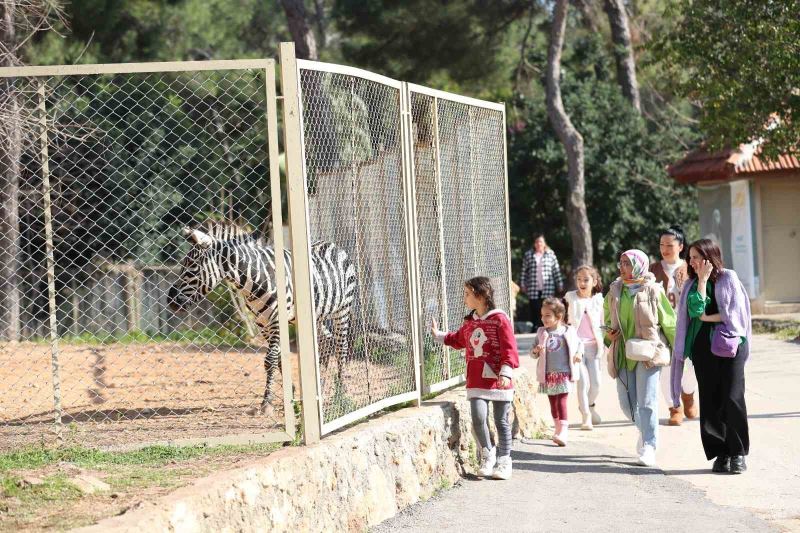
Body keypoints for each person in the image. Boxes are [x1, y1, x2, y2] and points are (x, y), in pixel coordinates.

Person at [671, 239, 751, 474]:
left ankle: (738, 453)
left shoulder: (729, 278)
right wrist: (703, 281)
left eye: (696, 257)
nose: (692, 262)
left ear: (709, 256)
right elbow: (696, 310)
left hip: (730, 345)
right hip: (703, 348)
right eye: (690, 258)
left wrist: (708, 318)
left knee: (733, 397)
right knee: (710, 399)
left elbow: (734, 316)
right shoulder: (692, 283)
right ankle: (721, 453)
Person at [431, 276, 519, 480]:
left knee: (501, 421)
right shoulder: (470, 323)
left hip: (499, 381)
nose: (465, 299)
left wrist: (506, 371)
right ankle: (488, 455)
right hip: (476, 381)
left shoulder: (500, 319)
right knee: (478, 419)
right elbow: (458, 339)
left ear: (480, 296)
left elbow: (509, 348)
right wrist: (439, 335)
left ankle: (504, 460)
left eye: (467, 294)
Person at [604, 249, 676, 467]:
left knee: (647, 402)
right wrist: (608, 334)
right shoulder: (615, 290)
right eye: (621, 263)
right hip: (623, 354)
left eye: (627, 263)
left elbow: (669, 321)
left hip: (648, 354)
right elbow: (607, 320)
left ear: (638, 266)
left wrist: (679, 351)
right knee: (627, 404)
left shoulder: (653, 290)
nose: (622, 268)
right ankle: (644, 430)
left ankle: (649, 445)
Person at [650, 225, 697, 426]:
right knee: (665, 369)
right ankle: (674, 407)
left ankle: (688, 396)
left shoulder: (690, 268)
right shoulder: (652, 269)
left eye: (670, 244)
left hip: (686, 326)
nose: (665, 248)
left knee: (690, 368)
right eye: (662, 244)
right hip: (660, 329)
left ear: (680, 246)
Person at [531, 297, 582, 446]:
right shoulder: (541, 332)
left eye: (548, 315)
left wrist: (579, 354)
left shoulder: (568, 331)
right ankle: (557, 429)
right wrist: (536, 350)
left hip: (564, 373)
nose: (543, 318)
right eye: (542, 315)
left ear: (558, 316)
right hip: (548, 374)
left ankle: (564, 431)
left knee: (561, 401)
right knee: (553, 403)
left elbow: (580, 345)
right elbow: (532, 352)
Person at [564, 265, 605, 430]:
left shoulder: (599, 300)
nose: (582, 282)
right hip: (576, 348)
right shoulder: (570, 298)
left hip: (595, 348)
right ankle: (586, 416)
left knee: (596, 384)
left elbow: (604, 324)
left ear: (594, 282)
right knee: (583, 383)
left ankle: (590, 406)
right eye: (579, 279)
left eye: (586, 279)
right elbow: (562, 319)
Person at [519, 235, 564, 329]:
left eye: (541, 242)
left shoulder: (550, 254)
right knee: (534, 307)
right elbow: (524, 271)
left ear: (544, 243)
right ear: (534, 244)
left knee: (548, 306)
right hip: (533, 287)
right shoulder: (529, 255)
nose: (539, 244)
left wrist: (559, 283)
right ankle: (535, 326)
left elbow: (556, 270)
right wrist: (523, 284)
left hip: (547, 287)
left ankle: (547, 325)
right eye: (537, 242)